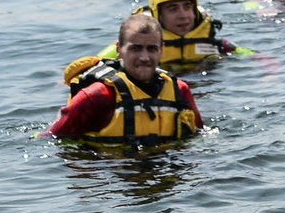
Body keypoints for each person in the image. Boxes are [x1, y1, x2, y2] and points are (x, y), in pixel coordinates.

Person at [47, 14, 202, 148]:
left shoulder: (179, 91)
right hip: (112, 175)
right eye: (135, 48)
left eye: (152, 49)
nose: (144, 57)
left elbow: (200, 136)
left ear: (161, 50)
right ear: (119, 49)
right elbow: (50, 139)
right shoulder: (96, 96)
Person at [96, 0, 236, 70]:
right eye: (173, 9)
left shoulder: (214, 43)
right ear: (158, 14)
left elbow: (251, 56)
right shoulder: (136, 44)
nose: (183, 15)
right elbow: (93, 63)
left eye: (187, 7)